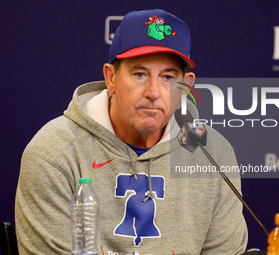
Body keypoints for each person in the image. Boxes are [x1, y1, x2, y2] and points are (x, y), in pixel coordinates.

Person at [15, 9, 248, 254]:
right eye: (139, 74)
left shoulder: (215, 153)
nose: (153, 92)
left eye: (168, 77)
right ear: (111, 78)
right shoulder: (53, 152)